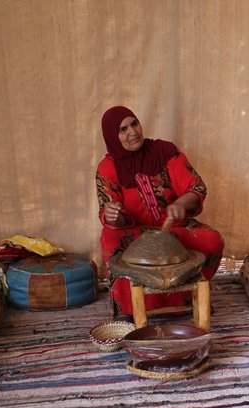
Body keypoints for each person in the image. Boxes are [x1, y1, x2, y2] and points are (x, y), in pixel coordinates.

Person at [96, 105, 224, 318]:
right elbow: (110, 214)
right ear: (112, 136)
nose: (133, 132)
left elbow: (197, 187)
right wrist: (113, 215)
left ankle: (189, 298)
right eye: (123, 129)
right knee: (110, 239)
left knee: (212, 241)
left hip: (174, 231)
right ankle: (131, 309)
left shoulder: (165, 151)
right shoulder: (107, 168)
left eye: (134, 124)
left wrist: (182, 203)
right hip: (137, 236)